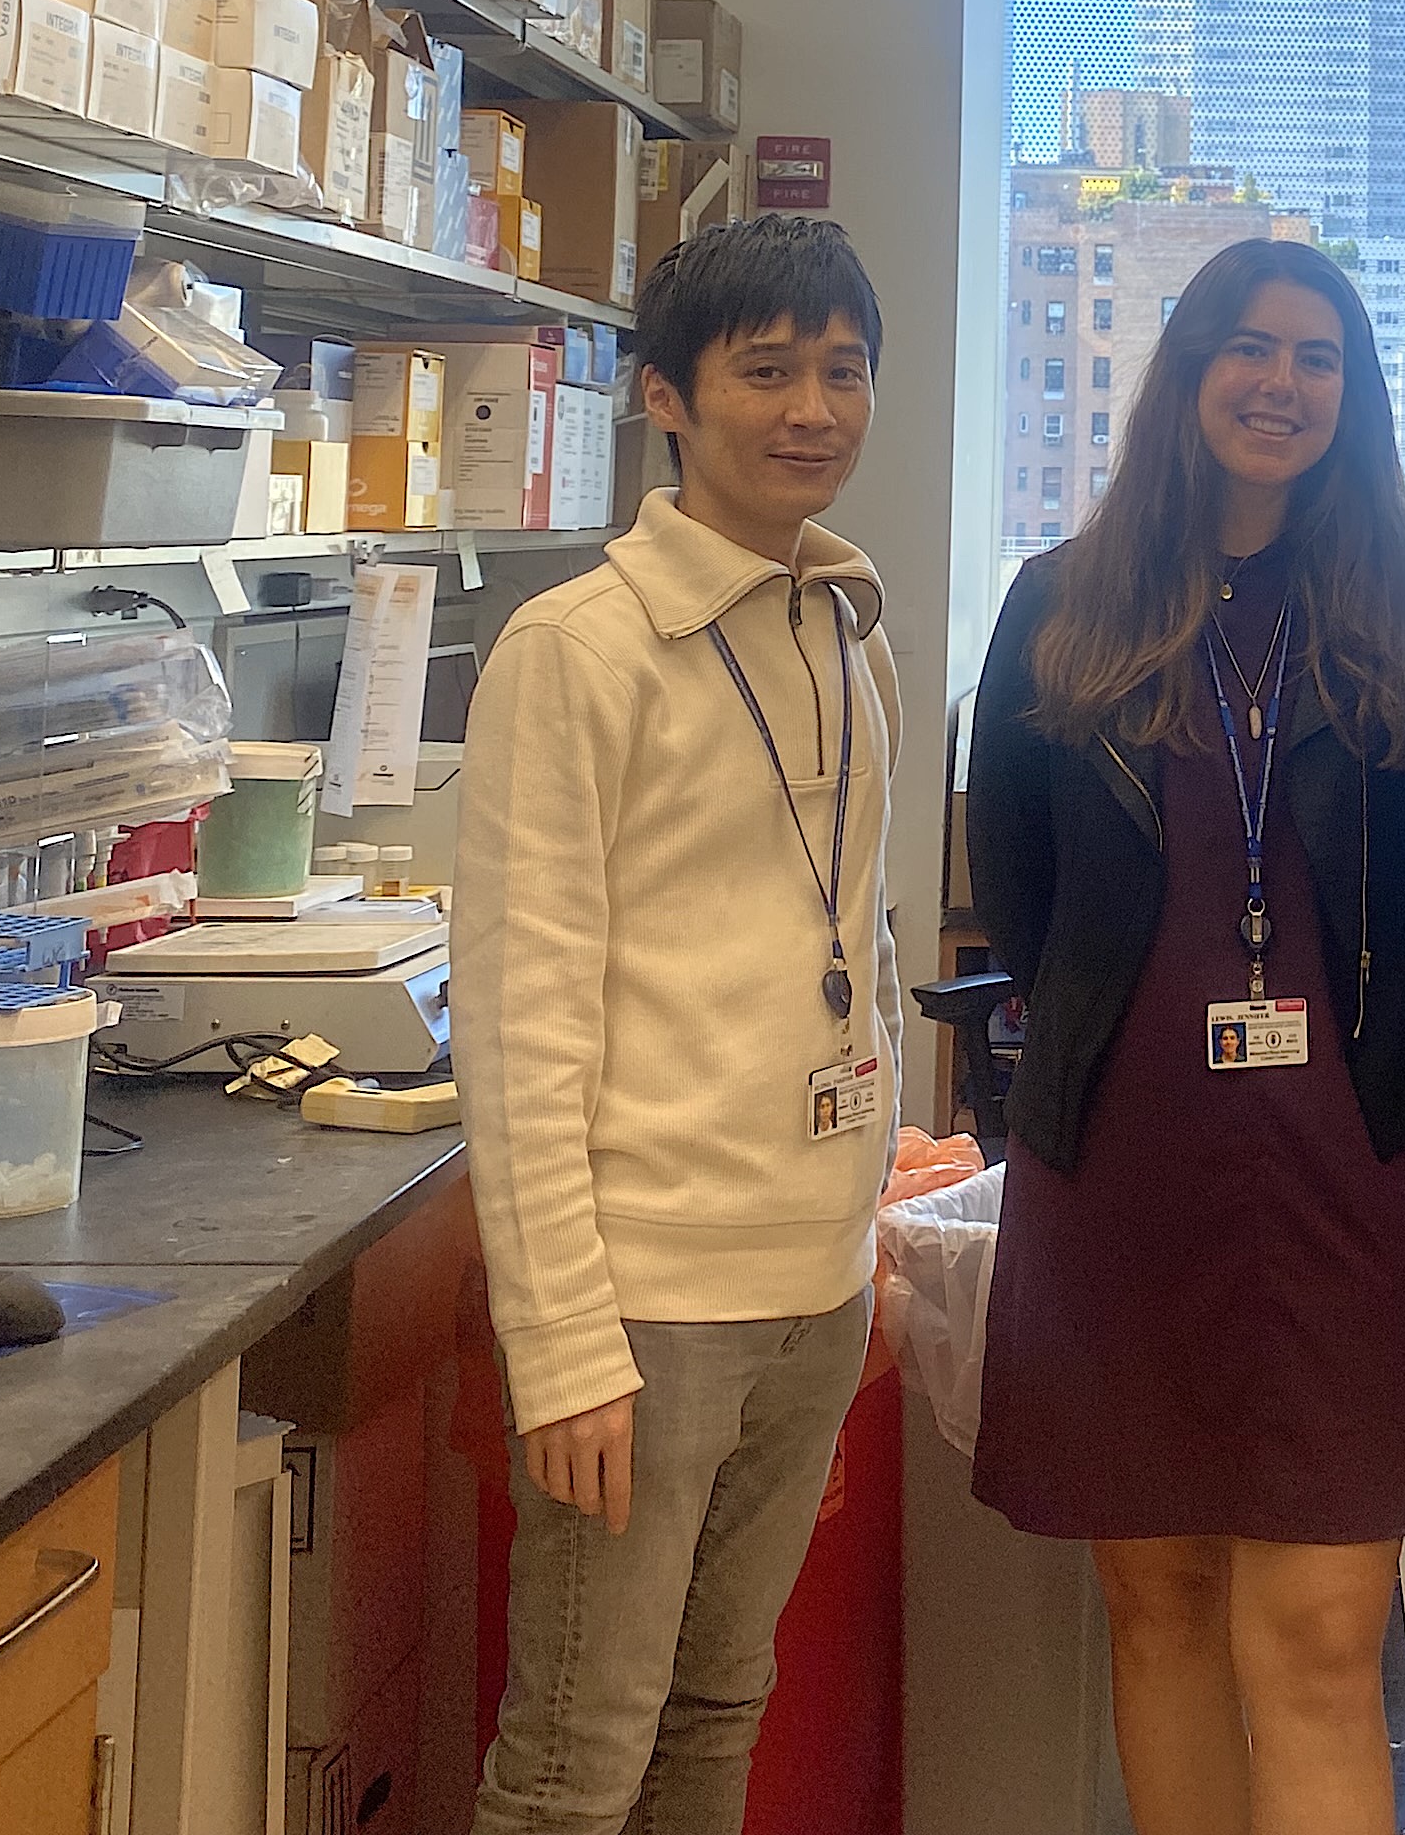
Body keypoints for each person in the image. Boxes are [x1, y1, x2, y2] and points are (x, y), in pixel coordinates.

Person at [967, 236, 1405, 1835]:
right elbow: (1018, 891)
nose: (1283, 384)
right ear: (1190, 374)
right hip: (1121, 1167)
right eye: (1251, 350)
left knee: (1330, 1637)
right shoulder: (1060, 609)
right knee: (1163, 1607)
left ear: (1357, 396)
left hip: (1339, 1161)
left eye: (1320, 358)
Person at [457, 215, 904, 1835]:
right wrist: (561, 1344)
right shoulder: (575, 653)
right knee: (577, 1759)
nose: (811, 410)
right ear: (664, 395)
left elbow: (858, 939)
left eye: (841, 373)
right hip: (644, 1303)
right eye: (766, 371)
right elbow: (518, 1030)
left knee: (721, 1709)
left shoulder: (847, 628)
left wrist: (856, 1261)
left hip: (809, 1285)